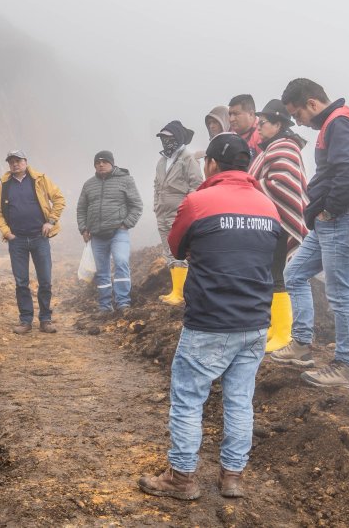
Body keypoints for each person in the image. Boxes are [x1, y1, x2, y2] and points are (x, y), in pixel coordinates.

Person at [138, 133, 280, 501]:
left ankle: (182, 477)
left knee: (188, 398)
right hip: (254, 322)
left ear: (212, 164)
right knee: (239, 399)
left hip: (210, 321)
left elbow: (175, 247)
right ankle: (232, 478)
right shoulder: (267, 206)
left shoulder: (198, 201)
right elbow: (275, 255)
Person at [270, 78, 349, 389]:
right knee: (294, 274)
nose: (301, 123)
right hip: (329, 220)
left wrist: (331, 208)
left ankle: (346, 366)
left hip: (342, 218)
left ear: (313, 103)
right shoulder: (335, 123)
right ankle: (301, 345)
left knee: (341, 295)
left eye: (299, 115)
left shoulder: (340, 122)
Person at [248, 99, 309, 351]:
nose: (258, 127)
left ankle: (284, 333)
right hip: (270, 224)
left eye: (262, 123)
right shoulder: (274, 147)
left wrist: (250, 187)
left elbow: (280, 185)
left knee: (278, 277)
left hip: (283, 224)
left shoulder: (285, 147)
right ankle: (273, 327)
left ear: (278, 123)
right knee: (270, 276)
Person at [0, 150, 66, 334]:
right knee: (21, 282)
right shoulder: (5, 185)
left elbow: (59, 199)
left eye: (18, 160)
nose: (15, 164)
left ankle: (45, 319)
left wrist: (51, 221)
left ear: (26, 162)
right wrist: (6, 232)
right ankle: (25, 320)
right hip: (16, 240)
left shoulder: (39, 179)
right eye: (11, 162)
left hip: (39, 238)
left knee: (45, 280)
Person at [77, 150, 144, 314]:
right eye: (97, 162)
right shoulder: (88, 184)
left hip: (118, 233)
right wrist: (83, 229)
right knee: (102, 271)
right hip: (96, 235)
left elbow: (137, 205)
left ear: (112, 163)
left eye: (104, 161)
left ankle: (123, 303)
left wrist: (126, 224)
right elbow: (81, 209)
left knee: (121, 262)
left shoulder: (126, 180)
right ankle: (105, 306)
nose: (101, 164)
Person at [153, 121, 204, 305]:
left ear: (178, 138)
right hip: (162, 213)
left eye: (169, 138)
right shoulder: (161, 161)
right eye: (163, 138)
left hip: (179, 213)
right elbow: (157, 185)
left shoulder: (187, 158)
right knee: (169, 252)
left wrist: (186, 208)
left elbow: (196, 184)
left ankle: (181, 293)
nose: (166, 141)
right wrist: (156, 205)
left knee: (181, 251)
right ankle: (176, 290)